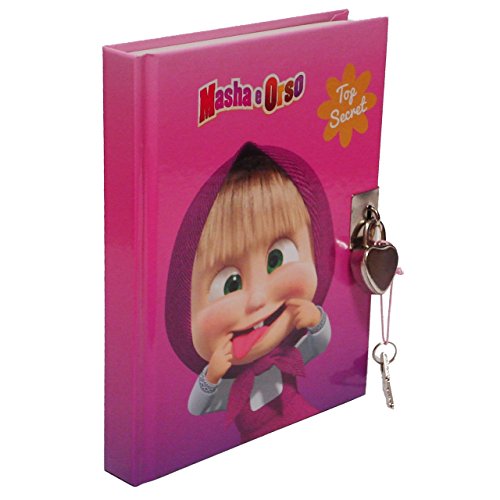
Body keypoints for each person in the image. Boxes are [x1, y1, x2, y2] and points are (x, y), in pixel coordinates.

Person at [165, 143, 335, 443]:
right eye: (230, 284)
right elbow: (197, 408)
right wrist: (211, 376)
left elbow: (318, 344)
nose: (258, 299)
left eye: (276, 259)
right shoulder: (232, 387)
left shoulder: (287, 359)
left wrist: (316, 320)